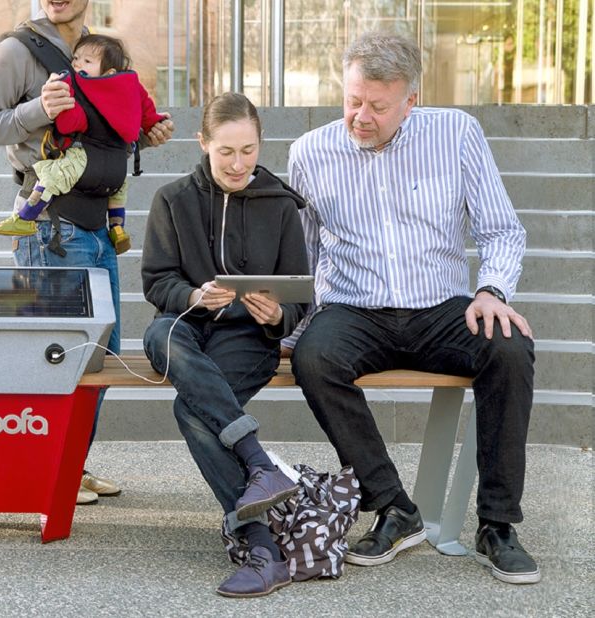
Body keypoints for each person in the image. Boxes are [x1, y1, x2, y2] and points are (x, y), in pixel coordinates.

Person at [285, 31, 540, 584]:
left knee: (511, 349)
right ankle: (394, 507)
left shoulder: (457, 134)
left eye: (378, 106)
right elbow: (302, 251)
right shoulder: (309, 152)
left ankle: (498, 524)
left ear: (411, 101)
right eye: (353, 100)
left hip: (443, 306)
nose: (361, 116)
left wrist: (492, 291)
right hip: (354, 307)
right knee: (315, 357)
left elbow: (501, 230)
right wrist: (292, 319)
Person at [0, 0, 174, 505]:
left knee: (98, 355)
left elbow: (110, 129)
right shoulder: (17, 49)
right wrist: (42, 109)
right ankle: (46, 467)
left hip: (97, 221)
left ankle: (70, 464)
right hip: (50, 224)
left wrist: (147, 134)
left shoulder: (101, 52)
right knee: (58, 352)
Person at [141, 92, 310, 598]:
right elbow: (156, 281)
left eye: (249, 150)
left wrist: (279, 314)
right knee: (158, 332)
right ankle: (259, 463)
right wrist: (193, 294)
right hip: (189, 327)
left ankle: (261, 546)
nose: (239, 164)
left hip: (248, 337)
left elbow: (299, 291)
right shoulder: (172, 200)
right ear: (203, 144)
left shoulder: (281, 205)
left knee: (192, 413)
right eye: (226, 152)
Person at [0, 33, 167, 255]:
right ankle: (118, 229)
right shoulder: (133, 86)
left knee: (52, 176)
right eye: (76, 58)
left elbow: (71, 124)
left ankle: (25, 216)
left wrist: (64, 92)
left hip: (84, 161)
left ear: (109, 72)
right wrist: (156, 124)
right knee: (118, 192)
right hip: (118, 164)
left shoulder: (83, 87)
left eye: (87, 61)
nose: (77, 64)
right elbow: (148, 112)